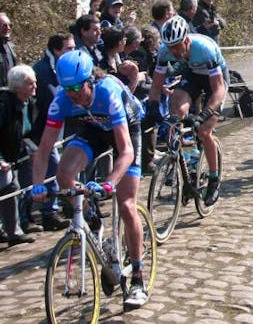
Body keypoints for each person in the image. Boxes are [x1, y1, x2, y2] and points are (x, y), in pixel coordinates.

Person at [30, 51, 149, 308]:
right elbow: (43, 149)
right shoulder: (62, 99)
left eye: (77, 87)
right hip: (94, 128)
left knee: (127, 204)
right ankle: (91, 219)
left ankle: (138, 277)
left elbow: (126, 150)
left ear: (89, 81)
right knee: (64, 174)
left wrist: (109, 183)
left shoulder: (106, 91)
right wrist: (37, 183)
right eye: (67, 88)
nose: (73, 94)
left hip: (127, 131)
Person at [145, 16, 226, 206]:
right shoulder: (165, 52)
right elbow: (156, 85)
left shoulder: (204, 49)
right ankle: (180, 160)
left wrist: (205, 114)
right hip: (193, 75)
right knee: (176, 113)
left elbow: (218, 89)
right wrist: (153, 107)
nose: (174, 52)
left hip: (216, 80)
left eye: (177, 46)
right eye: (170, 47)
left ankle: (214, 179)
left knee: (204, 130)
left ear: (187, 40)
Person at [0, 65, 38, 244]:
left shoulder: (29, 103)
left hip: (17, 151)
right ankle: (13, 232)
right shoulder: (3, 105)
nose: (34, 86)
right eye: (29, 83)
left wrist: (34, 148)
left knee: (5, 191)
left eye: (34, 82)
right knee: (7, 190)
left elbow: (28, 130)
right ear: (17, 86)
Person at [29, 34, 74, 232]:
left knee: (64, 163)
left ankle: (64, 204)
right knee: (54, 164)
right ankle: (49, 211)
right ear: (56, 50)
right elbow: (51, 97)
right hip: (43, 125)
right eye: (69, 49)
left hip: (63, 123)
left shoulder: (63, 65)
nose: (73, 52)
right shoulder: (42, 69)